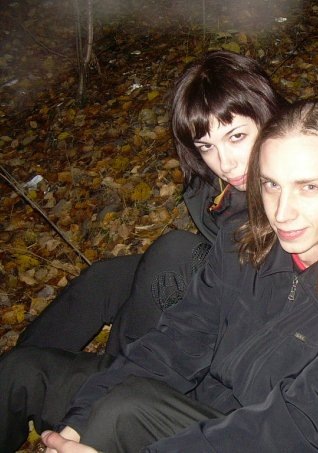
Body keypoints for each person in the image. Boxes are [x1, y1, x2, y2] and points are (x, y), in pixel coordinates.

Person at [42, 102, 318, 452]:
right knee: (30, 374)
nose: (282, 213)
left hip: (278, 440)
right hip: (217, 414)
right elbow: (180, 338)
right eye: (271, 185)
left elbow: (296, 433)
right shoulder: (246, 239)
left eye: (309, 187)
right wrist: (80, 420)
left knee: (120, 412)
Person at [0, 50, 286, 452]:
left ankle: (113, 376)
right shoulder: (217, 184)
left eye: (236, 136)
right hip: (209, 307)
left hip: (218, 385)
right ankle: (83, 369)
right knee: (101, 284)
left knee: (174, 253)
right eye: (206, 145)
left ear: (270, 117)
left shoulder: (300, 200)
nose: (225, 162)